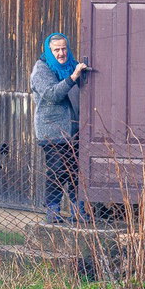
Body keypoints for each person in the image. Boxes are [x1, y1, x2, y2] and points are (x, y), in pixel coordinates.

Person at [31, 32, 90, 223]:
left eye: (64, 48)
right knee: (57, 170)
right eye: (56, 50)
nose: (61, 53)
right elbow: (52, 94)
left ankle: (78, 211)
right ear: (49, 51)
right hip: (52, 130)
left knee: (76, 170)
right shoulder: (41, 69)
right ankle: (52, 210)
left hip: (74, 128)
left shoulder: (71, 64)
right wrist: (73, 77)